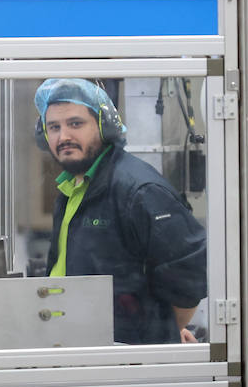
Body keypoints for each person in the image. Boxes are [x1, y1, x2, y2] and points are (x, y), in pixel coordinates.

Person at [36, 78, 207, 345]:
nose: (64, 136)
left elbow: (189, 273)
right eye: (53, 127)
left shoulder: (139, 190)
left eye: (75, 124)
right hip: (75, 347)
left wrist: (161, 332)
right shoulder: (71, 188)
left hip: (124, 362)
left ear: (104, 126)